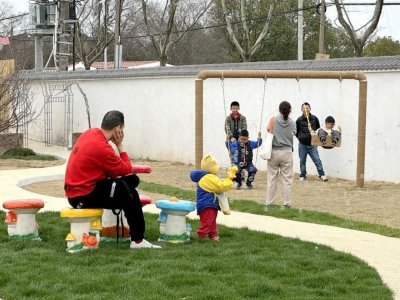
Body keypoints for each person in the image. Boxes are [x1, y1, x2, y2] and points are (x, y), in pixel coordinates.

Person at [64, 110, 161, 249]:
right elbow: (126, 169)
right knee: (129, 191)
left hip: (80, 191)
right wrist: (120, 145)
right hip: (82, 196)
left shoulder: (90, 133)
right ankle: (138, 241)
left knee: (128, 184)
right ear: (118, 128)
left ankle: (137, 239)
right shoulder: (102, 147)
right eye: (122, 129)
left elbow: (112, 171)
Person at [190, 154, 237, 241]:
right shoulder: (208, 177)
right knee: (208, 221)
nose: (218, 167)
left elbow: (218, 183)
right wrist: (229, 179)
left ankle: (213, 235)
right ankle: (201, 236)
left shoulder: (208, 177)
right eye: (216, 165)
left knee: (211, 220)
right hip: (207, 204)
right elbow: (220, 186)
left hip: (209, 203)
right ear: (211, 167)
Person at [266, 101, 297, 208]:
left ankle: (269, 202)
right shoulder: (292, 123)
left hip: (273, 151)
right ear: (290, 110)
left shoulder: (273, 120)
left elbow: (268, 131)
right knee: (287, 179)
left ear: (279, 109)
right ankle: (286, 202)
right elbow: (293, 133)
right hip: (287, 152)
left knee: (271, 178)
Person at [295, 102, 328, 181]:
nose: (305, 109)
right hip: (302, 145)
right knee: (302, 161)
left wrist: (315, 138)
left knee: (317, 160)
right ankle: (303, 175)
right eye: (304, 108)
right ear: (301, 109)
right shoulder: (299, 120)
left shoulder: (314, 118)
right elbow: (295, 131)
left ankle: (322, 175)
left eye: (307, 108)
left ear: (310, 109)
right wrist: (300, 138)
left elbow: (318, 129)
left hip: (313, 145)